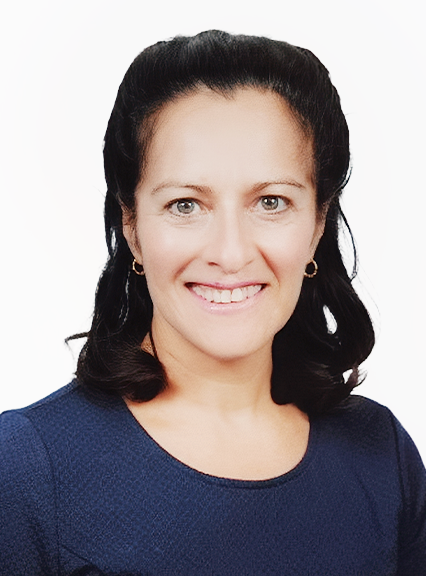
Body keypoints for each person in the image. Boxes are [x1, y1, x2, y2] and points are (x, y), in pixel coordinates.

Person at [0, 30, 425, 576]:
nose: (230, 253)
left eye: (271, 202)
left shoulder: (381, 456)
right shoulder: (27, 471)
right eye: (185, 205)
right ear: (131, 225)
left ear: (318, 223)